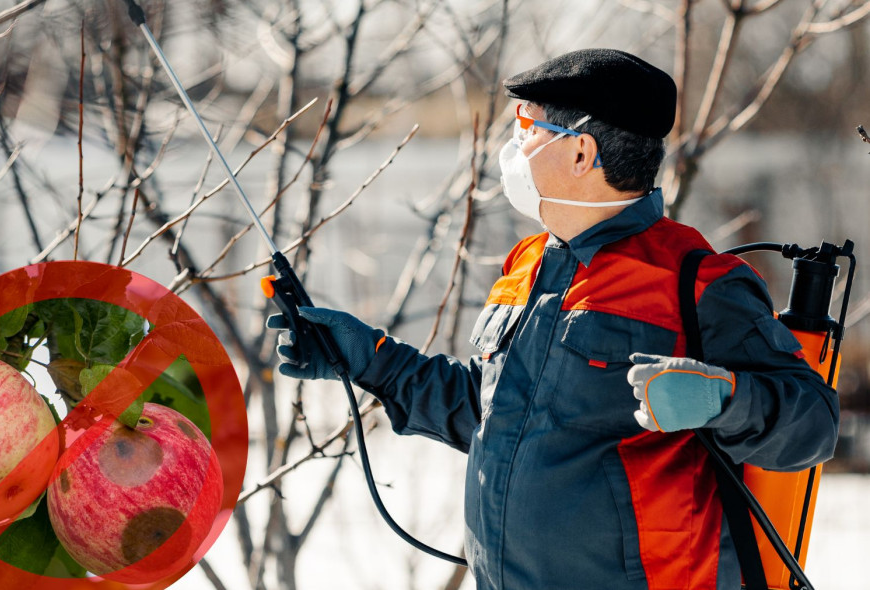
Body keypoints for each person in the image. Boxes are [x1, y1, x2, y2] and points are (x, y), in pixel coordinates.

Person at [267, 48, 838, 590]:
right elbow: (490, 413)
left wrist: (723, 400)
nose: (514, 145)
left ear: (581, 152)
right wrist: (370, 360)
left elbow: (814, 425)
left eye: (528, 126)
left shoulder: (698, 282)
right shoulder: (528, 263)